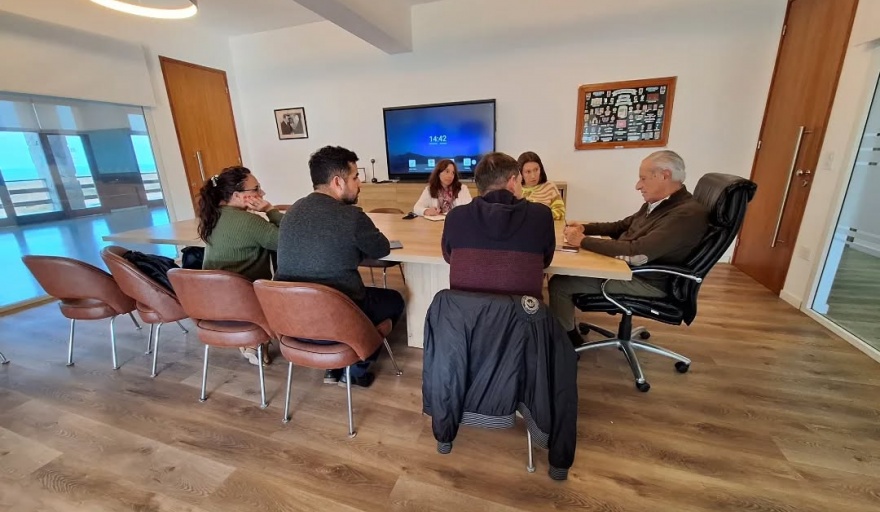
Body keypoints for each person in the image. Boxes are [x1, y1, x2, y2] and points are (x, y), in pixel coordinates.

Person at [548, 150, 709, 346]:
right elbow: (621, 226)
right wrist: (585, 228)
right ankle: (566, 331)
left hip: (646, 279)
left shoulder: (685, 215)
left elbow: (636, 253)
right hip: (632, 270)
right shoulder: (661, 204)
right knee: (568, 272)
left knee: (560, 283)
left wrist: (582, 241)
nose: (638, 185)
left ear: (665, 175)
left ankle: (565, 343)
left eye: (643, 178)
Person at [275, 145, 404, 388]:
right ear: (337, 182)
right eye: (355, 177)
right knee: (395, 300)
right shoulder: (351, 217)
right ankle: (355, 371)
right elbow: (381, 249)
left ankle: (332, 368)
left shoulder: (291, 213)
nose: (360, 184)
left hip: (293, 322)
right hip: (339, 321)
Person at [197, 165, 281, 365]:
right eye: (256, 189)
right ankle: (257, 339)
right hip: (244, 304)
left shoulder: (212, 216)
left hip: (211, 304)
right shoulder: (250, 222)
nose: (262, 193)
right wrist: (270, 210)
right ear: (236, 195)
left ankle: (253, 342)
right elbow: (290, 240)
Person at [441, 152, 555, 298]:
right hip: (521, 311)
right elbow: (545, 262)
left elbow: (449, 257)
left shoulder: (454, 217)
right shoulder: (541, 216)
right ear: (512, 182)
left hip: (466, 312)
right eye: (520, 181)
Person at [518, 151, 565, 220]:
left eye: (536, 170)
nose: (533, 176)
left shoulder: (549, 187)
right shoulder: (516, 189)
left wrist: (540, 216)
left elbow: (560, 211)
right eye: (528, 172)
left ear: (541, 169)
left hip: (545, 225)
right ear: (521, 173)